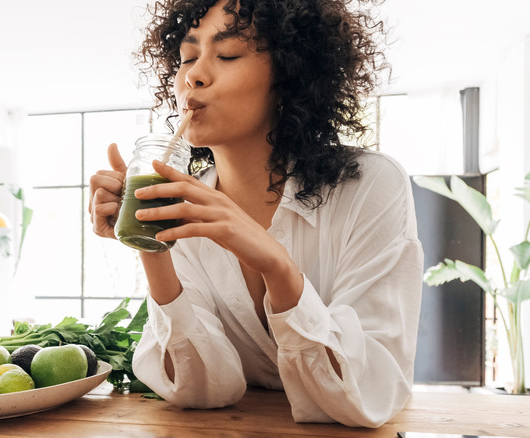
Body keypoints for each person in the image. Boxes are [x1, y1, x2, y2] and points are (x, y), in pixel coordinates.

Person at [88, 0, 422, 428]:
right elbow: (204, 390)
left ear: (289, 76)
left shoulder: (370, 186)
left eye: (226, 55)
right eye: (188, 57)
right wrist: (149, 241)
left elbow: (370, 393)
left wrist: (277, 267)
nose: (194, 74)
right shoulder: (181, 203)